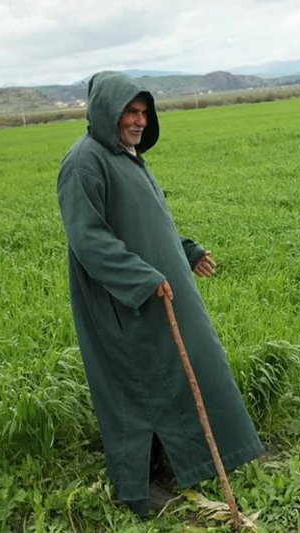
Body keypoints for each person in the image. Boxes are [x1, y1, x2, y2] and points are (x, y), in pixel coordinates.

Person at [57, 71, 263, 517]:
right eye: (130, 112)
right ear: (105, 112)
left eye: (144, 112)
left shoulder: (128, 158)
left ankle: (188, 458)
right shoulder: (84, 162)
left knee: (177, 371)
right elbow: (88, 238)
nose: (138, 121)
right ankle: (137, 486)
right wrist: (139, 278)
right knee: (133, 386)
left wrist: (185, 251)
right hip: (121, 303)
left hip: (160, 290)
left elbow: (150, 223)